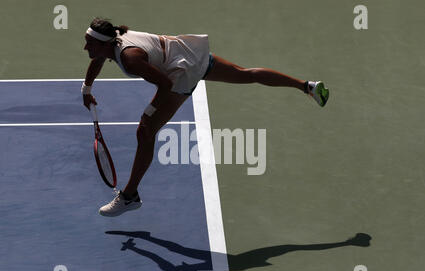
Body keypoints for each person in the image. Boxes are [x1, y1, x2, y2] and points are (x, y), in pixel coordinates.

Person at [82, 18, 330, 217]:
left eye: (89, 44)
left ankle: (129, 196)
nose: (86, 48)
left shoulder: (130, 58)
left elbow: (166, 84)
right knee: (246, 74)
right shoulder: (111, 41)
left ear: (105, 44)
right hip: (190, 53)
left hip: (182, 72)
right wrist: (87, 88)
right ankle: (306, 86)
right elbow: (98, 58)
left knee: (144, 131)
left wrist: (148, 113)